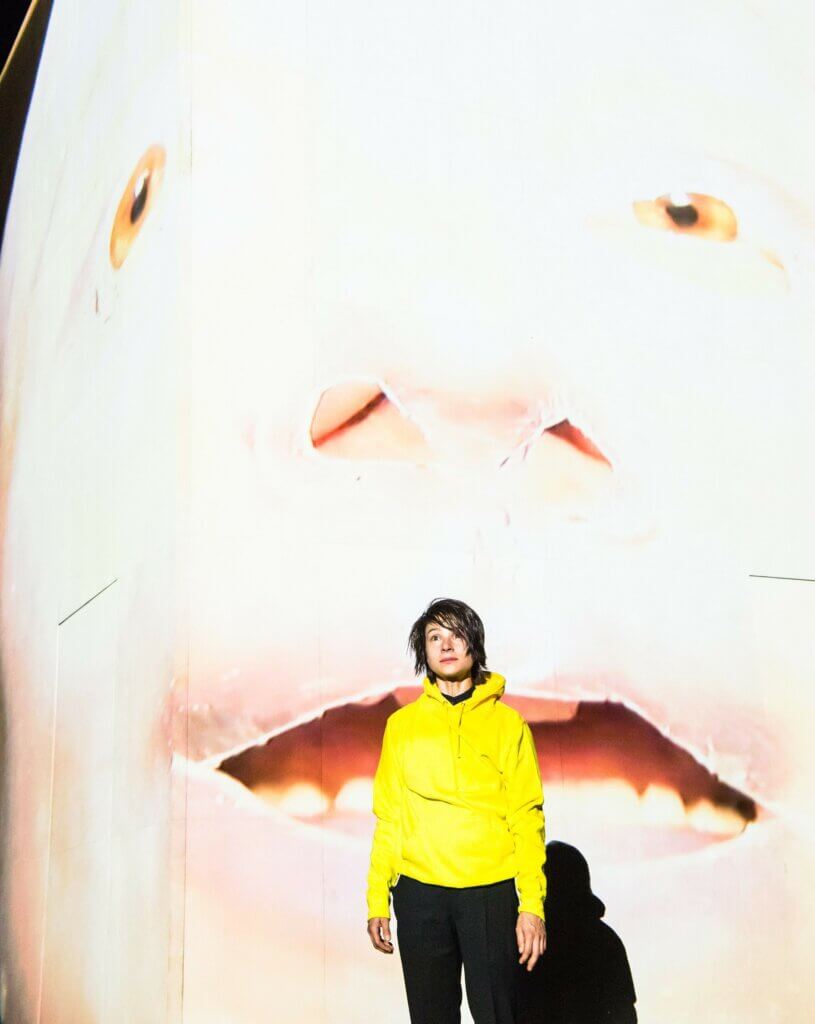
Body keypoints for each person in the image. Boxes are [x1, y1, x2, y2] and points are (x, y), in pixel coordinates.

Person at [366, 597, 547, 1024]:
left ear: (474, 645)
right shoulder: (402, 726)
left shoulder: (509, 725)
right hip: (419, 893)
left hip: (490, 892)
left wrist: (532, 906)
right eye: (434, 637)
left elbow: (527, 815)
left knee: (498, 1016)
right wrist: (377, 899)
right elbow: (389, 816)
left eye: (456, 634)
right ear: (423, 652)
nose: (445, 645)